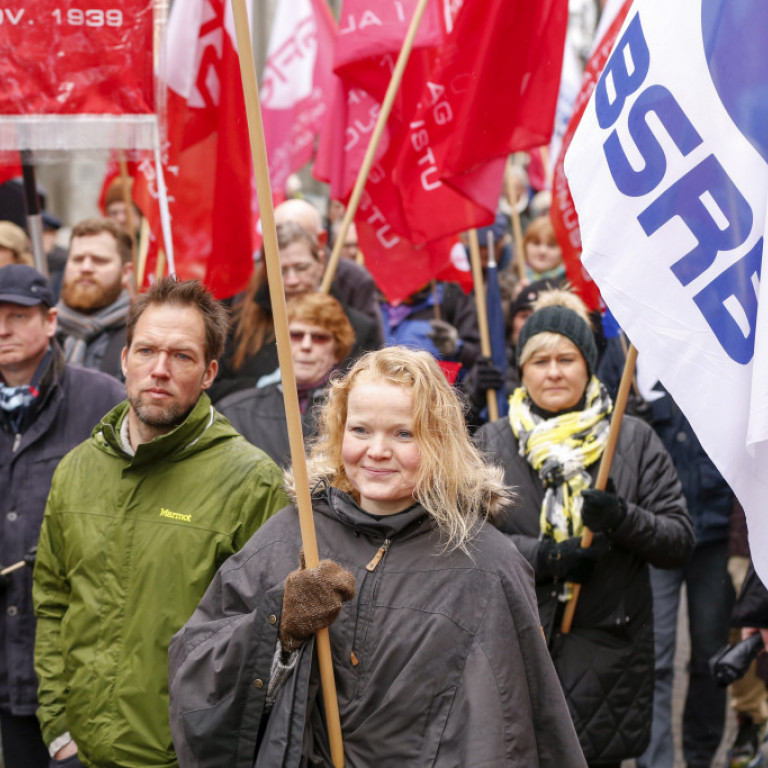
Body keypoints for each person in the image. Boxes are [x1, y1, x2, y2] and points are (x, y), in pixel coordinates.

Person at [169, 346, 589, 768]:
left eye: (403, 434)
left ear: (440, 439)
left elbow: (516, 726)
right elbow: (199, 671)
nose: (377, 451)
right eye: (361, 430)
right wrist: (279, 626)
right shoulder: (290, 534)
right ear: (338, 431)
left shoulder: (486, 562)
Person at [33, 277, 288, 768]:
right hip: (77, 752)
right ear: (124, 358)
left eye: (182, 356)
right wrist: (57, 725)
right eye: (147, 350)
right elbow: (52, 601)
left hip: (183, 757)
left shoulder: (251, 482)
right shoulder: (78, 468)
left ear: (210, 372)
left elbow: (264, 640)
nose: (160, 370)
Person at [475, 290, 694, 768]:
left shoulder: (631, 438)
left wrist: (621, 518)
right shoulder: (490, 442)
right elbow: (463, 544)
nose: (553, 372)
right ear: (522, 369)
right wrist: (546, 557)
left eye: (566, 359)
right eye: (539, 360)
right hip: (518, 646)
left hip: (605, 653)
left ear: (588, 364)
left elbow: (679, 539)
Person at [0, 265, 124, 768]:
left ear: (51, 321)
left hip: (68, 647)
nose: (4, 329)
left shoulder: (102, 399)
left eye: (18, 316)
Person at [599, 334, 736, 768]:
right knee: (652, 660)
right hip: (653, 532)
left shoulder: (724, 338)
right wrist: (619, 424)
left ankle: (700, 756)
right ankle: (654, 761)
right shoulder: (624, 343)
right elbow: (593, 411)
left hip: (713, 530)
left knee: (710, 658)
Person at [214, 222, 380, 402]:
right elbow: (212, 388)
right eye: (281, 271)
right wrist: (263, 386)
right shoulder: (239, 324)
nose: (292, 280)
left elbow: (373, 393)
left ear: (321, 262)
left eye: (301, 268)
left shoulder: (359, 328)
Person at [218, 292, 355, 466]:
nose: (306, 346)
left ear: (337, 350)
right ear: (280, 343)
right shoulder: (235, 411)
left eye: (319, 337)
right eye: (296, 335)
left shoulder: (354, 410)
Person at [56, 218, 134, 379]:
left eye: (99, 260)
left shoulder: (141, 337)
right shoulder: (41, 331)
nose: (85, 268)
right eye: (77, 259)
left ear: (126, 272)